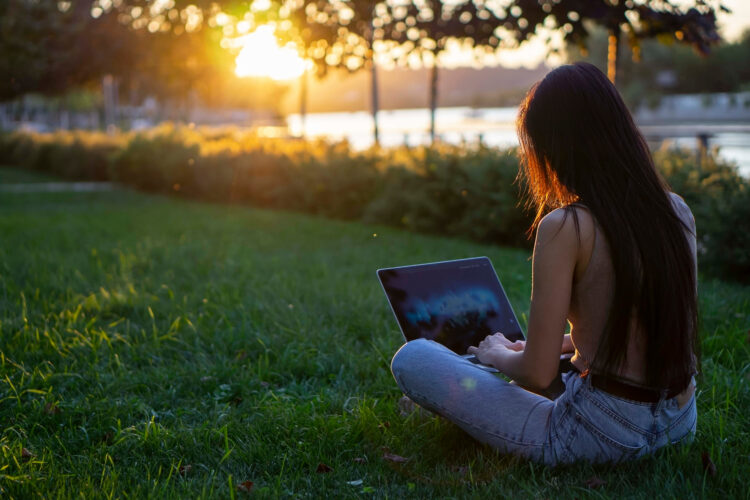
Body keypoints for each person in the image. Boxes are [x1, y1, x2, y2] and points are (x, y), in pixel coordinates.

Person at [390, 62, 698, 465]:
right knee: (537, 359)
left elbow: (537, 374)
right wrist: (550, 346)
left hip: (599, 433)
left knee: (413, 358)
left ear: (555, 148)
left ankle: (458, 392)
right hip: (679, 422)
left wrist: (496, 354)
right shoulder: (676, 211)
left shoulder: (567, 225)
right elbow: (652, 326)